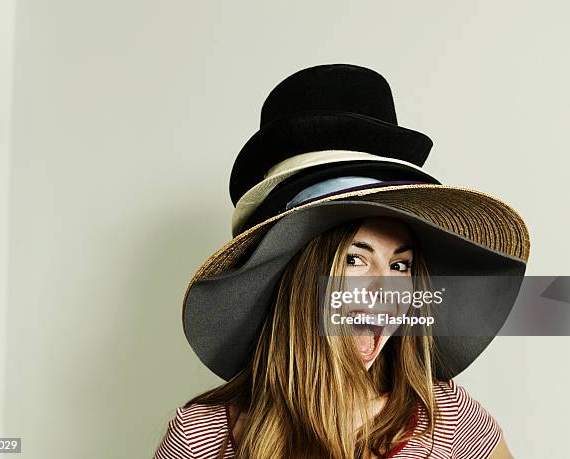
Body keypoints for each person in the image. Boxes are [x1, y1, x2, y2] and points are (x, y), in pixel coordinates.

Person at [153, 64, 529, 458]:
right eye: (355, 258)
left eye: (400, 266)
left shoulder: (448, 421)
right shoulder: (203, 434)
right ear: (296, 277)